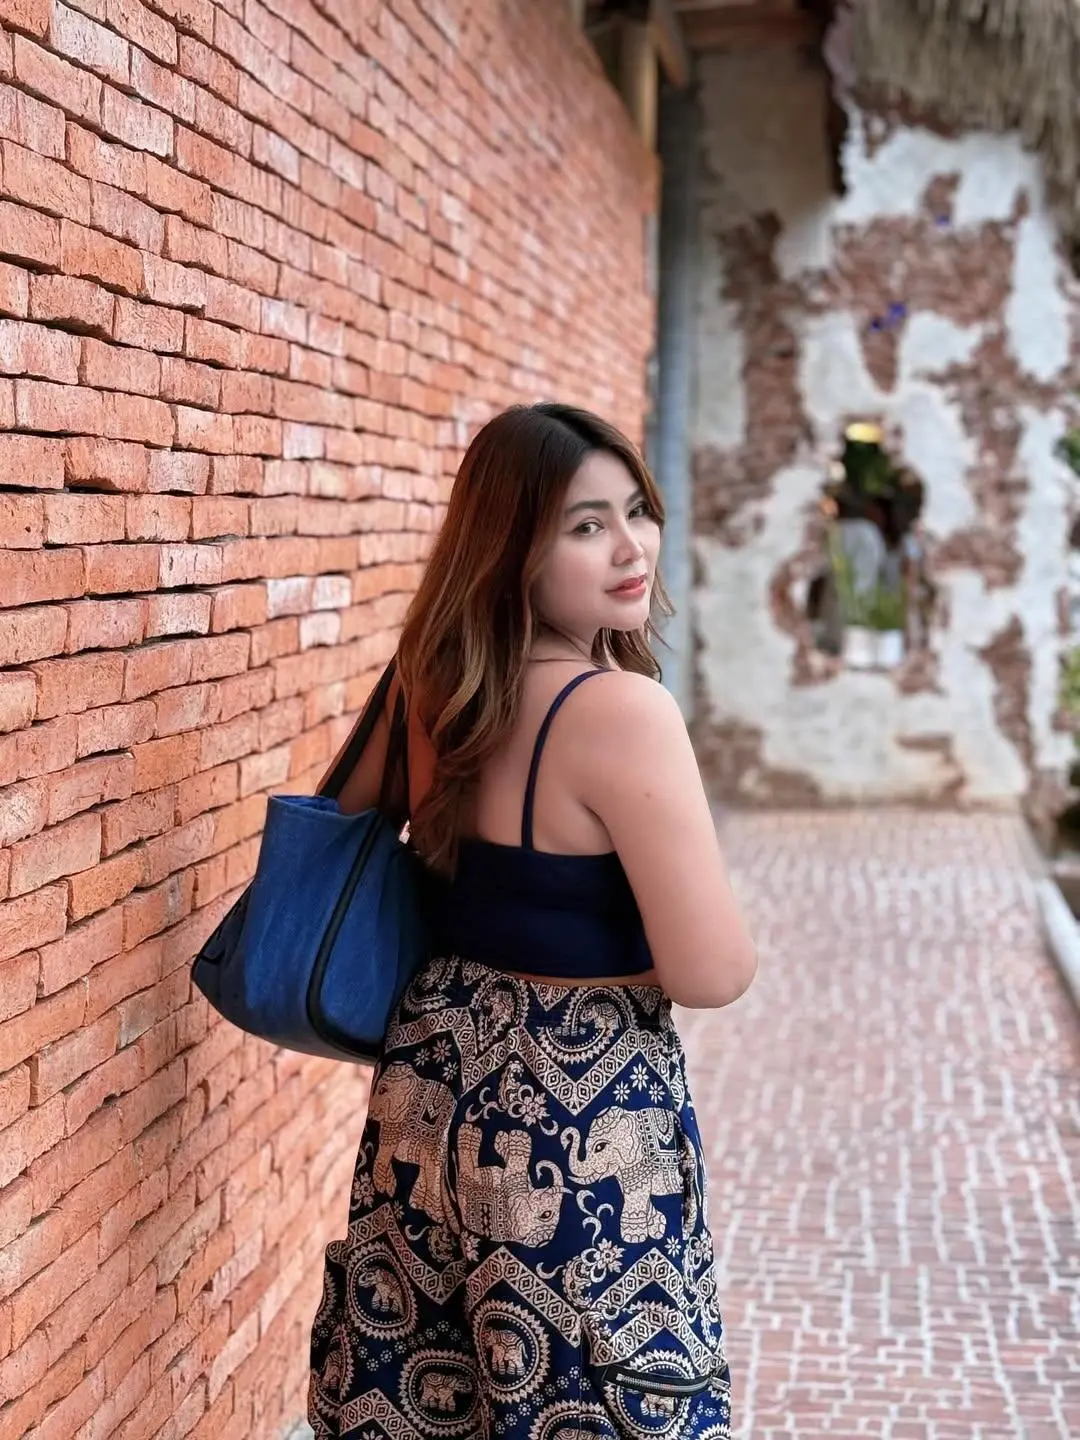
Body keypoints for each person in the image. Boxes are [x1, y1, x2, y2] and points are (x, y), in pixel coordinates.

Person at [307, 402, 758, 1439]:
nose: (632, 547)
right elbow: (710, 969)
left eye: (636, 510)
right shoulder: (624, 712)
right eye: (586, 525)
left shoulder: (430, 686)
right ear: (511, 550)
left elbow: (337, 834)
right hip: (576, 1114)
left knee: (425, 1385)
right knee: (591, 1397)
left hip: (431, 1084)